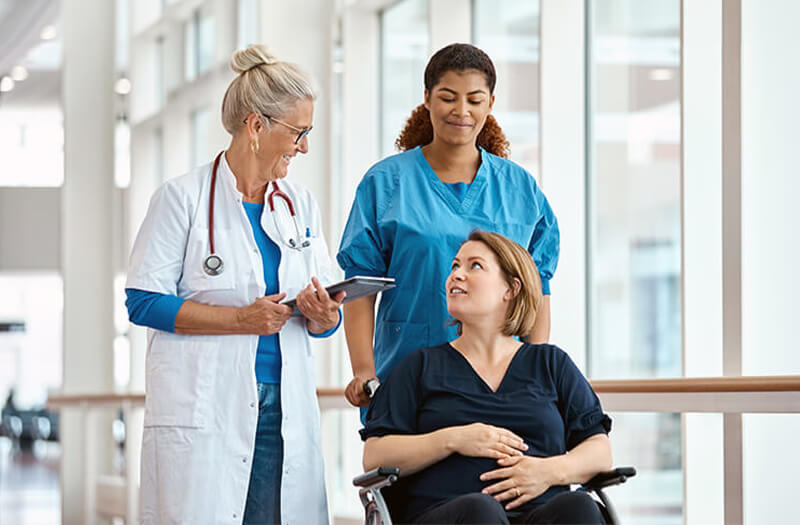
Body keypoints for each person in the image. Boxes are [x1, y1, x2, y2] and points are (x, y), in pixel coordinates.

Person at [125, 45, 343, 525]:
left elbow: (326, 308)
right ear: (256, 125)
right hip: (209, 405)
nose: (304, 146)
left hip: (283, 404)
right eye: (299, 132)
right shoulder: (180, 199)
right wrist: (240, 320)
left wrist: (327, 316)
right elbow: (142, 302)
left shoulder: (299, 204)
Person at [337, 43, 560, 413]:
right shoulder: (386, 183)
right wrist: (363, 371)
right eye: (448, 97)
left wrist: (534, 369)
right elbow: (361, 285)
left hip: (502, 382)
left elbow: (538, 289)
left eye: (475, 100)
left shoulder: (519, 189)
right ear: (427, 98)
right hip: (407, 376)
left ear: (490, 103)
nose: (462, 111)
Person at [360, 231, 611, 524]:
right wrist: (453, 439)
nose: (457, 275)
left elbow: (599, 452)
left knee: (579, 508)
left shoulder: (551, 364)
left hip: (538, 514)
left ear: (511, 289)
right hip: (449, 515)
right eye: (455, 266)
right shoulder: (420, 367)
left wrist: (548, 471)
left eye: (474, 266)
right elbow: (375, 456)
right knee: (482, 512)